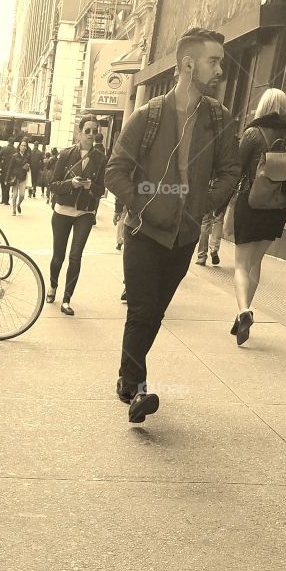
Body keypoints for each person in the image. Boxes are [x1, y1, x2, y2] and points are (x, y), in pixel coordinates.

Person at [104, 26, 241, 423]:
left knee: (156, 313)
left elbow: (232, 171)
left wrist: (204, 207)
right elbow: (115, 171)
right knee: (142, 311)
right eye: (213, 61)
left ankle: (128, 382)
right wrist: (144, 207)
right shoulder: (149, 116)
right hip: (143, 233)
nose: (220, 70)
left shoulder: (219, 118)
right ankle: (135, 387)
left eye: (221, 62)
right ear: (187, 64)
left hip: (184, 237)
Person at [230, 88, 286, 344]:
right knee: (256, 262)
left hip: (250, 204)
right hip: (277, 207)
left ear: (262, 106)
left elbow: (236, 169)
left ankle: (243, 311)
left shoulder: (253, 133)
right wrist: (281, 189)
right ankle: (245, 313)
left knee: (241, 263)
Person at [46, 114, 108, 315]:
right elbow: (53, 185)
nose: (91, 134)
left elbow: (102, 190)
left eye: (95, 131)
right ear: (79, 133)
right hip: (63, 211)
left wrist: (91, 187)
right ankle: (53, 286)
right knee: (59, 256)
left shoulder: (100, 159)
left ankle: (67, 299)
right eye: (87, 130)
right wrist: (70, 184)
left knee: (75, 256)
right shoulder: (65, 154)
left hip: (85, 212)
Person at [8, 140, 31, 215]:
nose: (23, 147)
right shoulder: (15, 156)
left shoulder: (28, 156)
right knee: (15, 195)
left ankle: (18, 205)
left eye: (25, 146)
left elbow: (30, 166)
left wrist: (27, 167)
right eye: (22, 145)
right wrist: (7, 178)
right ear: (19, 146)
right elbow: (10, 168)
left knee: (22, 195)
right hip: (15, 177)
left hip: (23, 177)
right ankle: (14, 211)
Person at [0, 139, 17, 205]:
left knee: (3, 184)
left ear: (8, 142)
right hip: (11, 169)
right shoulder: (15, 150)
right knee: (8, 184)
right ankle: (6, 200)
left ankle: (3, 199)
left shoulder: (4, 149)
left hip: (3, 168)